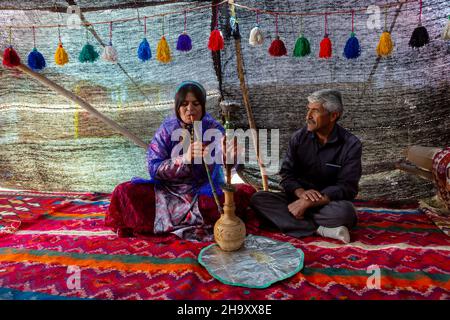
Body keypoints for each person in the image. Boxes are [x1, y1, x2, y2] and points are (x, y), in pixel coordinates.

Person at [105, 81, 255, 241]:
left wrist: (230, 157)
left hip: (201, 191)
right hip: (167, 192)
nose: (190, 109)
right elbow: (153, 168)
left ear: (203, 106)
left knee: (242, 194)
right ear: (177, 107)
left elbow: (229, 170)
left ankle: (171, 224)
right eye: (184, 104)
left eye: (195, 104)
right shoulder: (167, 130)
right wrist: (184, 159)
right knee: (124, 191)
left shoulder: (214, 129)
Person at [250, 89, 362, 243]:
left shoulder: (351, 144)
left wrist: (310, 202)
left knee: (346, 213)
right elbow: (287, 175)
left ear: (333, 115)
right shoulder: (298, 138)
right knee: (259, 199)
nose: (308, 116)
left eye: (315, 111)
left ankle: (291, 221)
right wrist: (301, 194)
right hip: (296, 199)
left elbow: (347, 187)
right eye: (308, 109)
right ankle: (321, 230)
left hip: (326, 203)